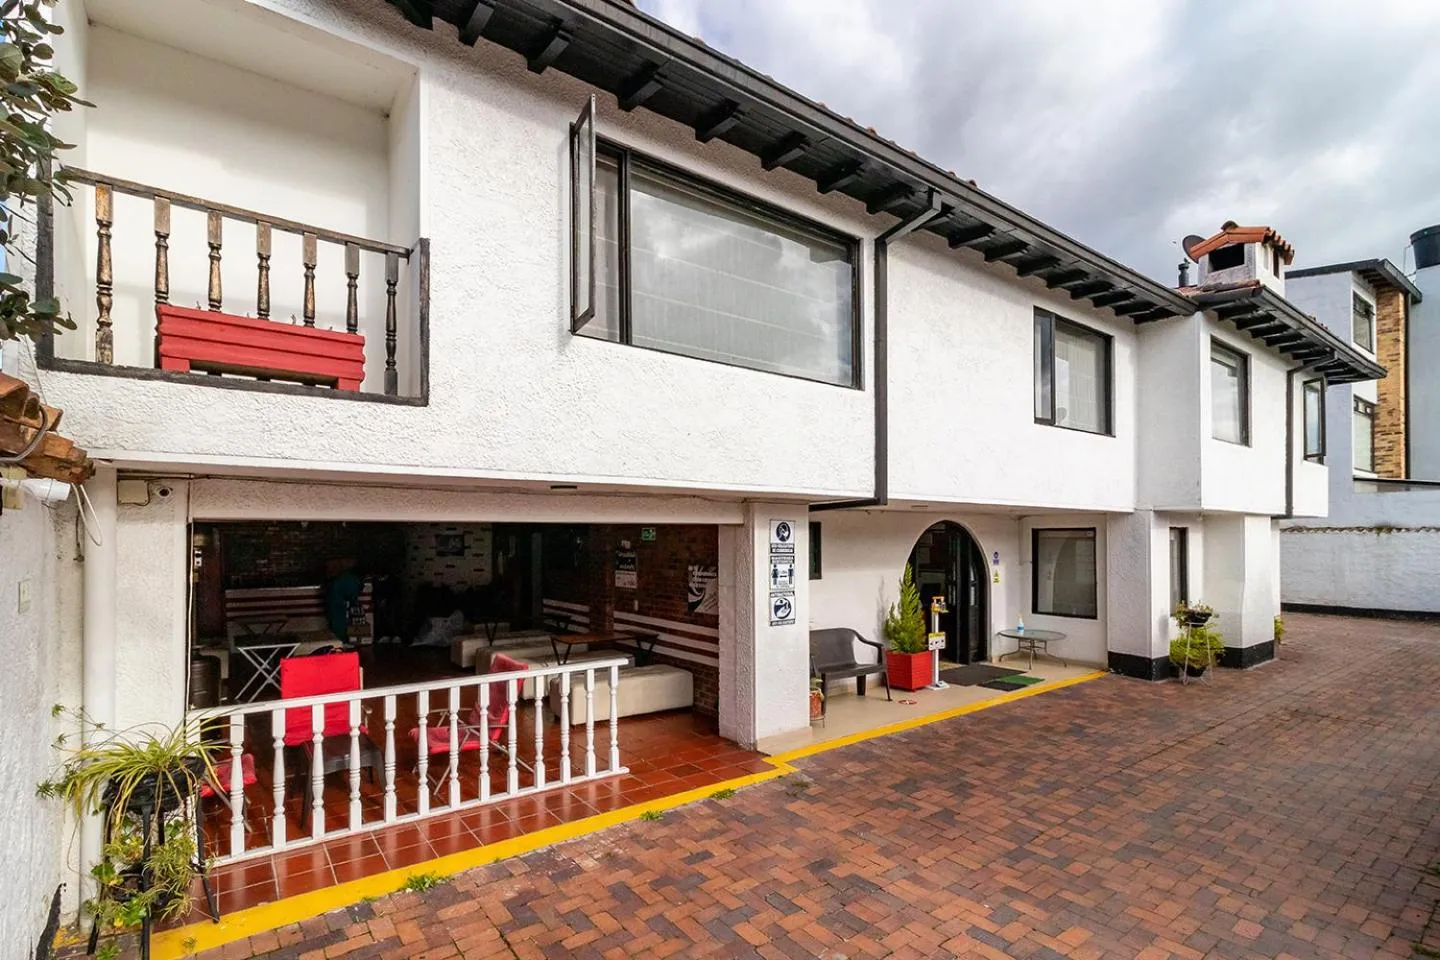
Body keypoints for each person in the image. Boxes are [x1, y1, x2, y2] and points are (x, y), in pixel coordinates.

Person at [324, 559, 363, 644]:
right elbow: (354, 591)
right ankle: (349, 641)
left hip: (337, 606)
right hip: (344, 606)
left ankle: (341, 641)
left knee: (338, 625)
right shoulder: (350, 578)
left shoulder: (336, 580)